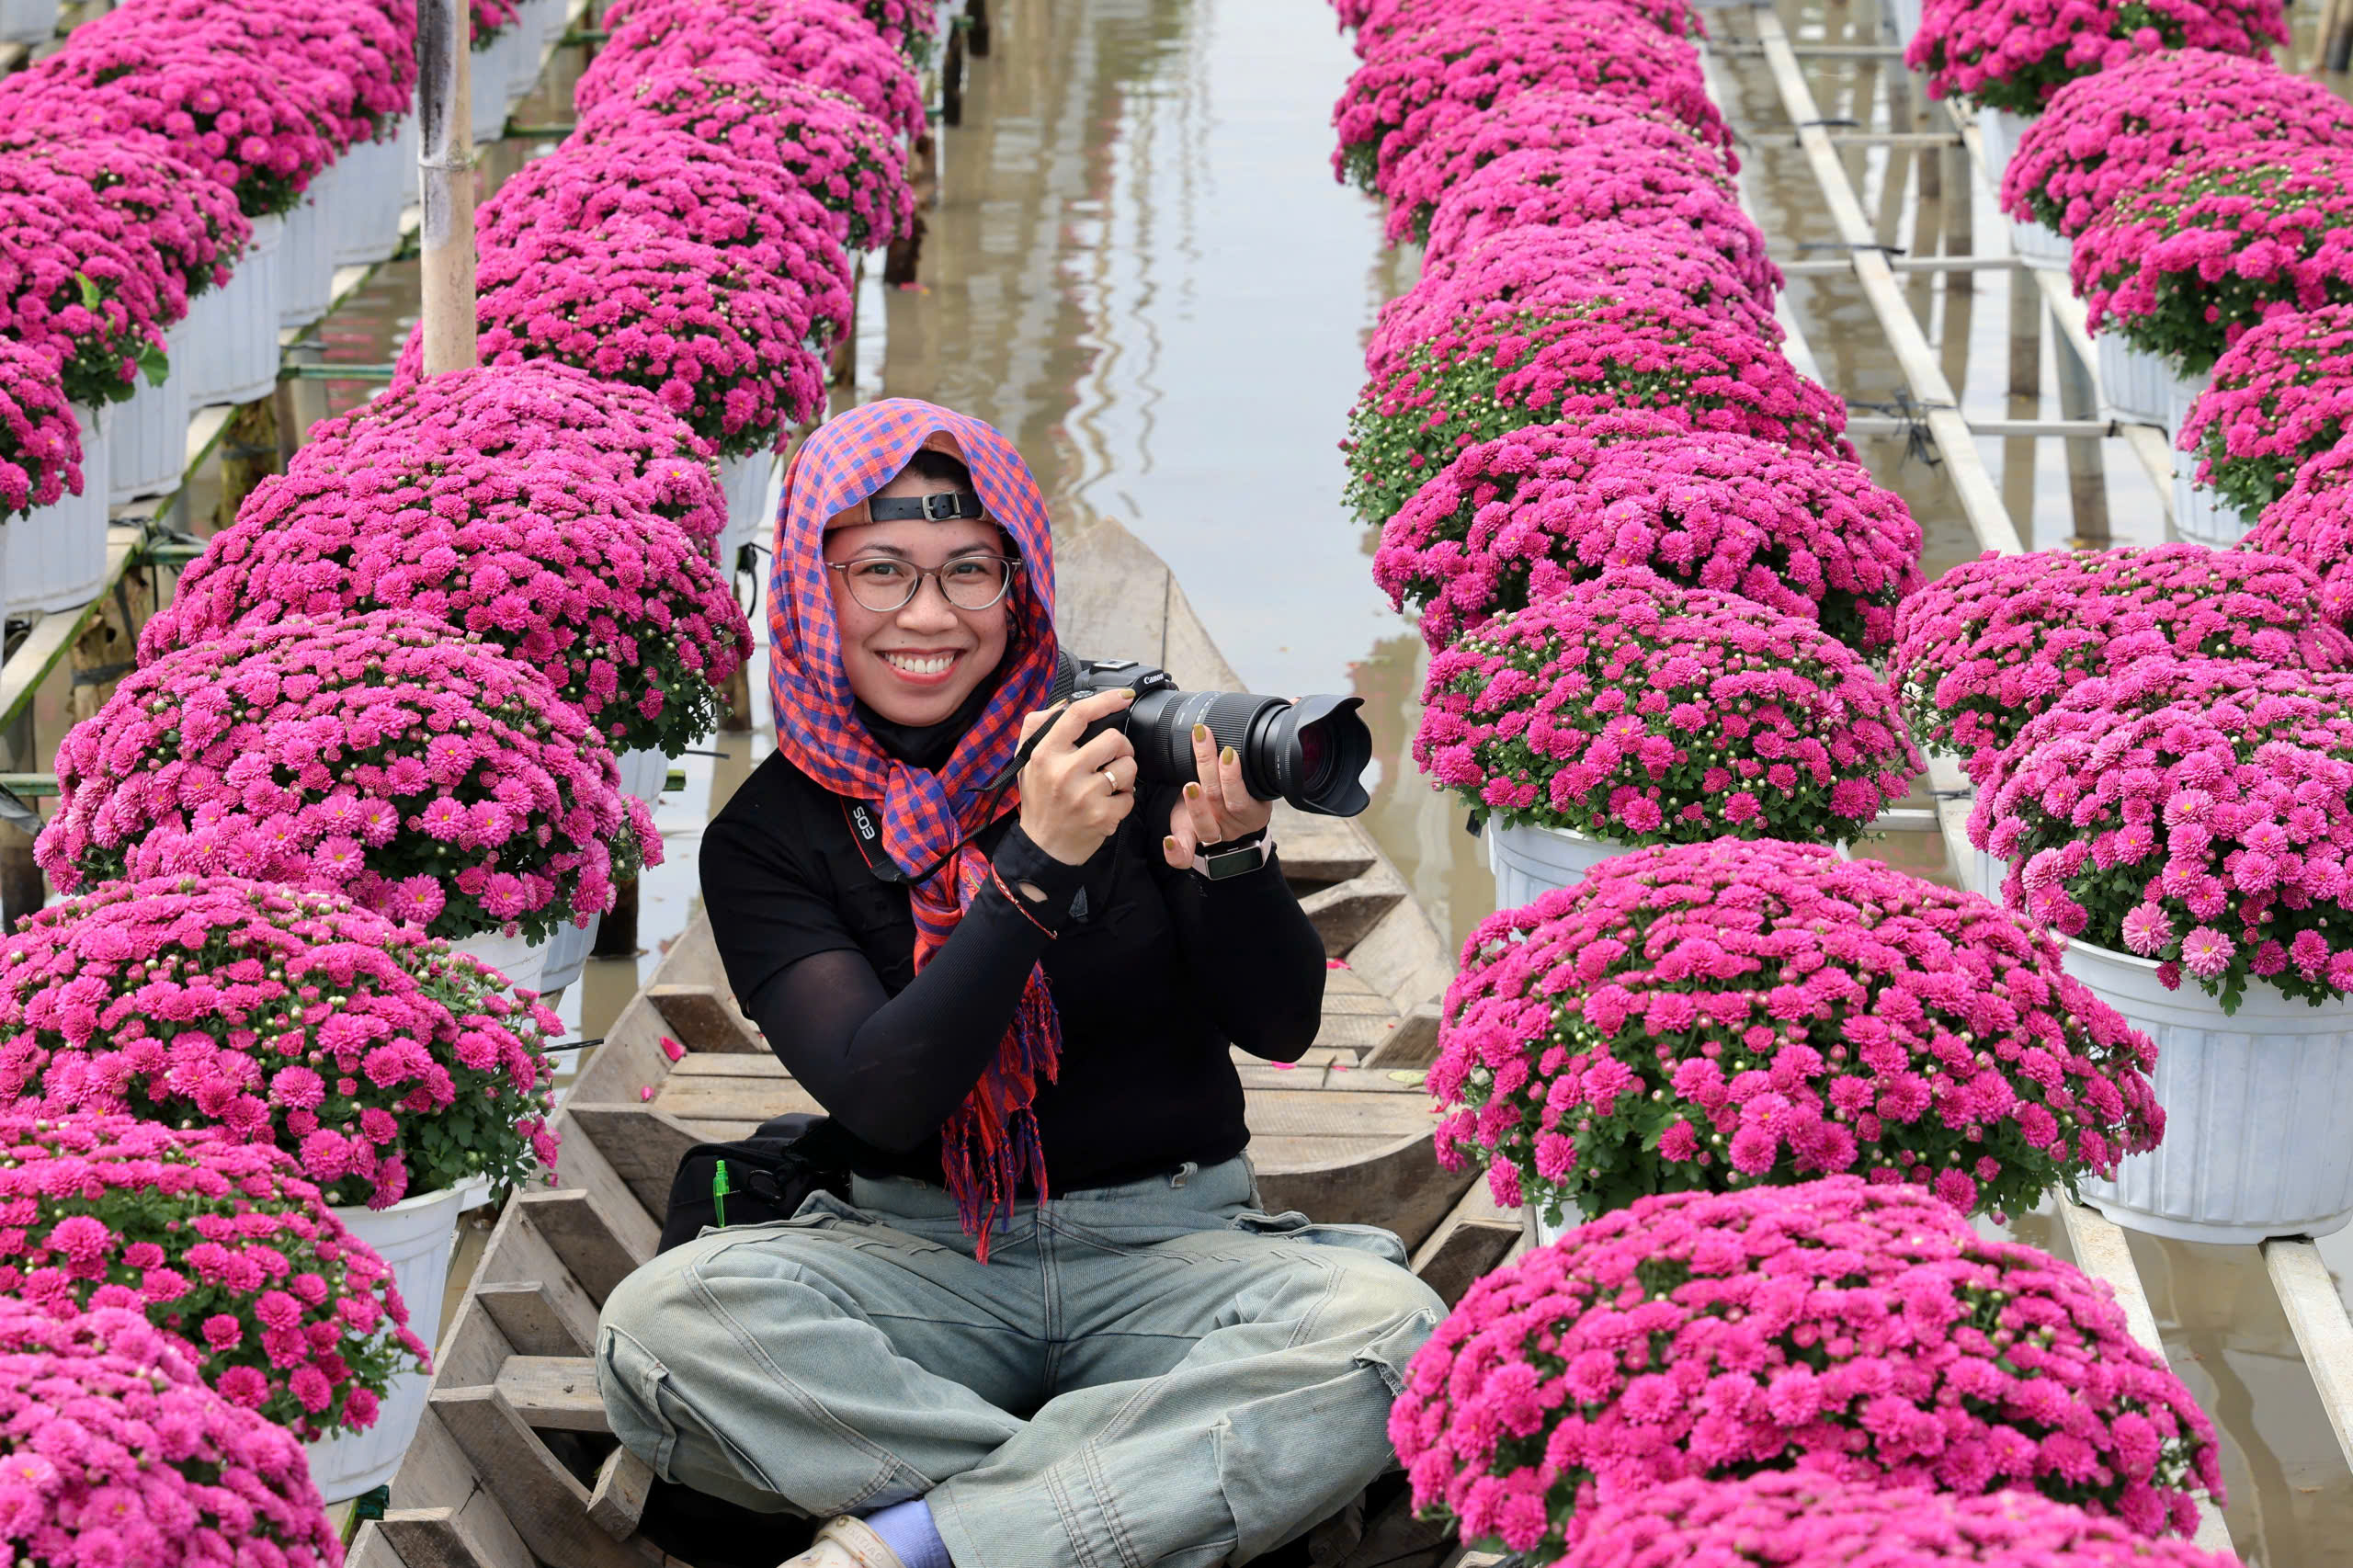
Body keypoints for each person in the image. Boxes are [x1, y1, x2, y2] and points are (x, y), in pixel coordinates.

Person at [594, 401, 1444, 1568]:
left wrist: (1236, 859)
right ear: (805, 589)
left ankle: (916, 1544)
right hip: (912, 1257)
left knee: (1391, 1331)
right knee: (660, 1329)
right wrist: (1034, 866)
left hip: (1175, 1243)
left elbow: (1282, 1023)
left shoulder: (1123, 752)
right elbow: (885, 1098)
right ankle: (1130, 1500)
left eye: (968, 570)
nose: (927, 615)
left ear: (1020, 585)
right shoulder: (768, 835)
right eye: (879, 571)